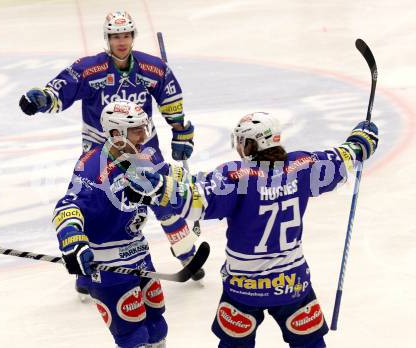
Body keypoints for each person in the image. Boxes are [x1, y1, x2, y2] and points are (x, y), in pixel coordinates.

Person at [126, 112, 379, 348]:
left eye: (242, 141)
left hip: (244, 287)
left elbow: (196, 203)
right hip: (293, 283)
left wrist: (159, 189)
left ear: (252, 144)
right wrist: (360, 143)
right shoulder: (302, 166)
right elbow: (341, 159)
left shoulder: (237, 177)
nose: (238, 147)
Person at [19, 10, 203, 293]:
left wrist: (181, 131)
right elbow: (59, 90)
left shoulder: (151, 67)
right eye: (116, 36)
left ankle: (186, 253)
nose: (121, 41)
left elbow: (171, 99)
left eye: (126, 35)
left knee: (161, 195)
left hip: (143, 147)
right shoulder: (89, 68)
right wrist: (42, 99)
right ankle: (87, 268)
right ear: (107, 38)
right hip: (100, 150)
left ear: (133, 36)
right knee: (98, 205)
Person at [53, 99, 202, 347]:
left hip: (140, 254)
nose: (144, 135)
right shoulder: (92, 167)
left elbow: (170, 180)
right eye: (136, 130)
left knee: (156, 325)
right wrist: (73, 241)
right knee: (133, 336)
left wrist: (196, 185)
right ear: (115, 133)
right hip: (108, 266)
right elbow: (68, 206)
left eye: (144, 128)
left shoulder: (142, 156)